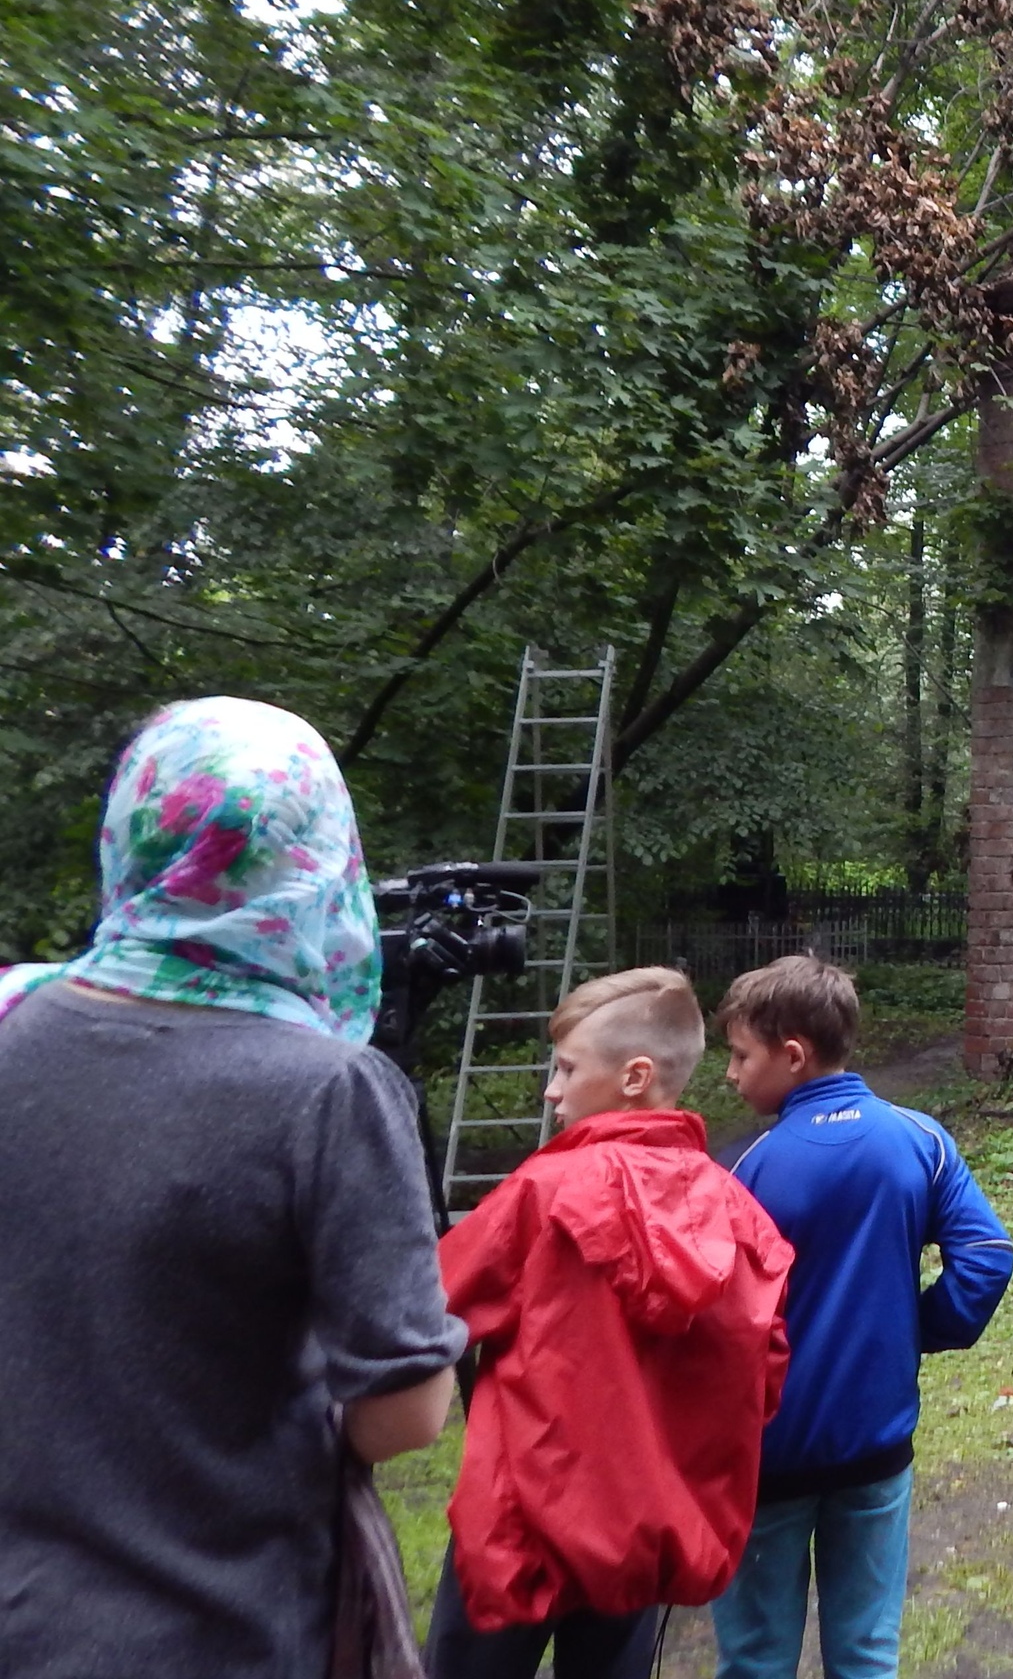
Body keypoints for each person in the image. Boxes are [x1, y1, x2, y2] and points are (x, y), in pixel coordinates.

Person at [0, 697, 464, 1677]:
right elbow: (405, 1414)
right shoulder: (327, 1092)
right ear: (318, 858)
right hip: (227, 1629)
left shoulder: (12, 1025)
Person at [429, 966, 796, 1679]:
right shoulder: (740, 1217)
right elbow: (764, 1380)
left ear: (634, 1076)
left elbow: (420, 1311)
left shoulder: (542, 1194)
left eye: (566, 1069)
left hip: (521, 1526)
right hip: (647, 1531)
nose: (551, 1089)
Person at [715, 955, 1013, 1678]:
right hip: (878, 1449)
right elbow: (988, 1256)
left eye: (739, 1055)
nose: (729, 1074)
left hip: (766, 1458)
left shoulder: (742, 1167)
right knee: (867, 1655)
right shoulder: (920, 1139)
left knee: (756, 1657)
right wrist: (919, 1328)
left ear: (793, 1055)